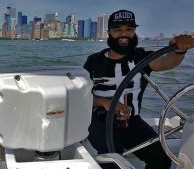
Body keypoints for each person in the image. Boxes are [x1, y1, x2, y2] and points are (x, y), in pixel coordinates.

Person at [83, 9, 194, 169]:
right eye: (118, 30)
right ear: (109, 33)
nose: (124, 34)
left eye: (129, 29)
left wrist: (179, 50)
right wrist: (105, 102)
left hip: (131, 121)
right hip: (98, 120)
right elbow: (80, 95)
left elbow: (166, 62)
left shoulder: (141, 57)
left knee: (162, 158)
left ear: (134, 31)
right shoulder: (94, 61)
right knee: (113, 157)